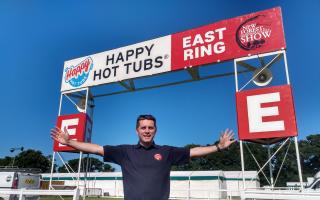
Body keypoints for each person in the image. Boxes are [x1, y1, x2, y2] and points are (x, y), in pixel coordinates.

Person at [51, 114, 235, 200]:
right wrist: (70, 142)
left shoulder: (166, 152)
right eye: (143, 127)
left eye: (150, 127)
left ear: (155, 130)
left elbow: (192, 152)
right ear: (137, 130)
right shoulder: (124, 152)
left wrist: (218, 147)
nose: (147, 130)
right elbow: (97, 149)